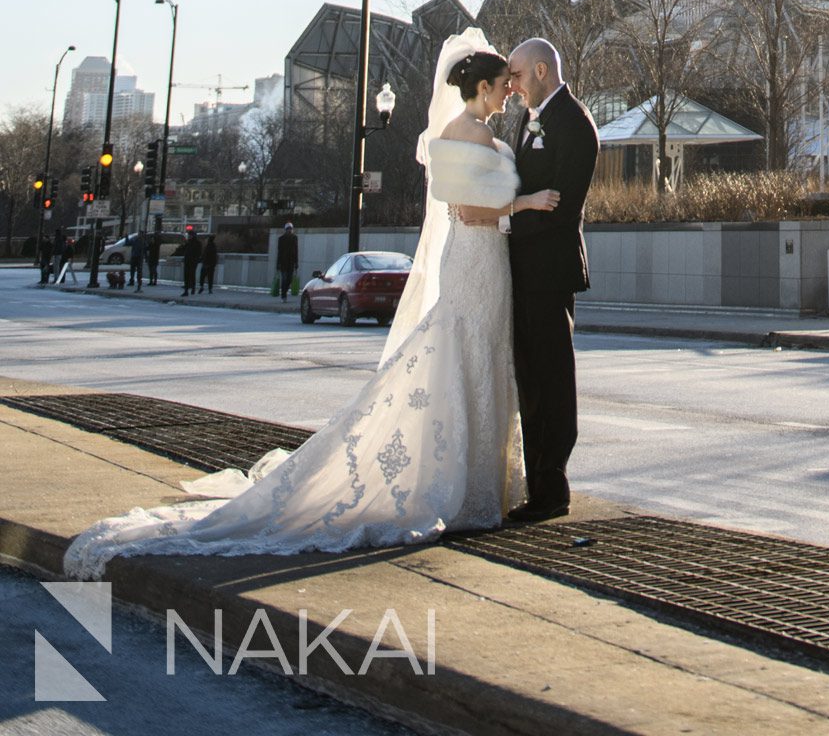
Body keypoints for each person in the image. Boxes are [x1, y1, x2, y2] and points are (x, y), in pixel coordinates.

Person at [64, 29, 535, 576]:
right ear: (480, 86)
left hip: (479, 261)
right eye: (504, 84)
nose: (510, 93)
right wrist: (526, 203)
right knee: (470, 357)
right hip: (475, 258)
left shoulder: (468, 131)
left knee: (475, 359)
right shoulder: (467, 135)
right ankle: (469, 488)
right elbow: (472, 211)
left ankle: (477, 482)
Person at [500, 36, 599, 523]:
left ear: (541, 71)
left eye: (516, 75)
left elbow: (563, 211)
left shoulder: (576, 124)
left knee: (553, 378)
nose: (511, 86)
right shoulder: (528, 118)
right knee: (530, 377)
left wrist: (505, 222)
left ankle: (552, 487)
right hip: (521, 270)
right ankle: (536, 482)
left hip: (551, 270)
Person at [275, 223, 298, 300]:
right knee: (284, 279)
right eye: (288, 229)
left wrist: (296, 262)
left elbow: (296, 251)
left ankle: (284, 292)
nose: (290, 230)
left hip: (291, 262)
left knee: (289, 279)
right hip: (283, 262)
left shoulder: (294, 238)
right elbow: (279, 252)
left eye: (291, 229)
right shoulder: (281, 239)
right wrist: (278, 264)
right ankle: (283, 295)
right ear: (286, 230)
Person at [181, 229, 202, 297]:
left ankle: (192, 288)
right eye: (188, 235)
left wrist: (196, 259)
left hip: (193, 261)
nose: (189, 236)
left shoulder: (197, 243)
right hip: (187, 261)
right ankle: (186, 290)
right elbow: (183, 250)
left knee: (191, 275)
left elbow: (199, 253)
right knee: (186, 275)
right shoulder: (188, 242)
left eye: (190, 235)